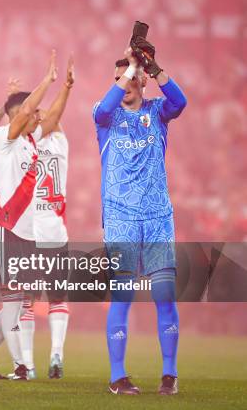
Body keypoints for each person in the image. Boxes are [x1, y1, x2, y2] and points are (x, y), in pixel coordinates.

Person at [93, 36, 187, 394]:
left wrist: (154, 68)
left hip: (158, 217)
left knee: (165, 295)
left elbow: (181, 101)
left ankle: (169, 374)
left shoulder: (157, 113)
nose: (126, 83)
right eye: (119, 78)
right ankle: (118, 376)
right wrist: (130, 66)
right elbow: (104, 108)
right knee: (123, 296)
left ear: (144, 81)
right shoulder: (104, 117)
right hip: (121, 219)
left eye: (132, 77)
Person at [0, 50, 60, 381]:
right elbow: (22, 111)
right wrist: (47, 80)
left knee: (15, 304)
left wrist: (64, 88)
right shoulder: (5, 139)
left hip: (26, 235)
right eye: (32, 112)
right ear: (18, 116)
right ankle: (21, 367)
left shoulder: (29, 142)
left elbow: (51, 120)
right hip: (3, 229)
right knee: (13, 299)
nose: (38, 116)